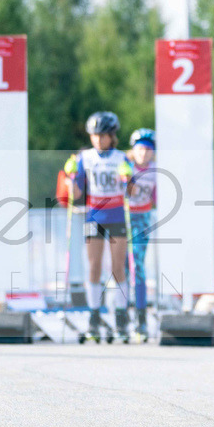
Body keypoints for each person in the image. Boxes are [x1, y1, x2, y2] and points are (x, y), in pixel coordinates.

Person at [63, 112, 134, 342]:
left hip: (116, 216)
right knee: (93, 266)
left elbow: (131, 193)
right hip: (94, 217)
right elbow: (77, 194)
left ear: (111, 136)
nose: (97, 140)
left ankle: (121, 318)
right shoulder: (86, 158)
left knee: (117, 268)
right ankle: (94, 316)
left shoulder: (121, 158)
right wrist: (71, 176)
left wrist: (128, 179)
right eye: (94, 136)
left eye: (102, 136)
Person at [125, 128, 157, 340]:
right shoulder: (125, 166)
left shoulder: (156, 170)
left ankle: (141, 319)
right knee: (121, 268)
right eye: (140, 149)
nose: (144, 153)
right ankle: (120, 314)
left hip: (142, 219)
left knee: (138, 266)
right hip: (123, 217)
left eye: (148, 149)